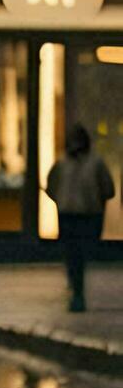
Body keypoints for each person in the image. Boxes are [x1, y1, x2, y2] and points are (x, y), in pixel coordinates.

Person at [46, 124, 116, 312]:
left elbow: (107, 189)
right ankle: (76, 291)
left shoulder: (95, 163)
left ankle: (77, 291)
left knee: (79, 254)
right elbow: (51, 186)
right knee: (73, 254)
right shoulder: (63, 164)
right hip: (69, 214)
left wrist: (95, 205)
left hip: (86, 215)